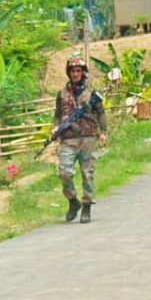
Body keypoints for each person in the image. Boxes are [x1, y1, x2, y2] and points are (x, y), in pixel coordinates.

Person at [51, 56, 108, 223]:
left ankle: (87, 205)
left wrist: (103, 131)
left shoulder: (91, 92)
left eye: (78, 71)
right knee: (64, 173)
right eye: (72, 71)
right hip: (68, 139)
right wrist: (55, 128)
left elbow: (101, 113)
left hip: (88, 137)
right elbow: (57, 115)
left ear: (83, 73)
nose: (75, 74)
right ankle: (72, 201)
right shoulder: (62, 94)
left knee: (87, 174)